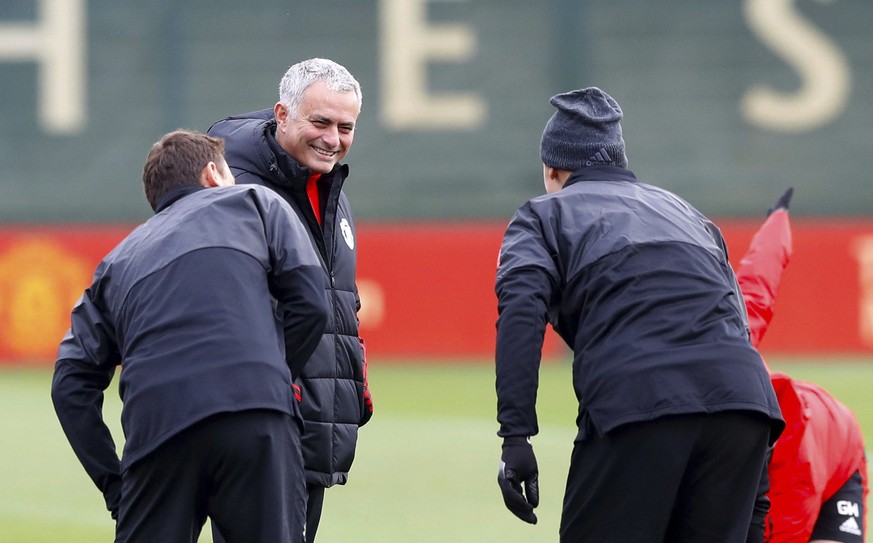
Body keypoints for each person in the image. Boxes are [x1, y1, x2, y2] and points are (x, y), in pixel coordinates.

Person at [493, 87, 785, 542]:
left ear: (552, 169)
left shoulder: (543, 215)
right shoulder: (690, 215)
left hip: (638, 404)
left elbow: (519, 314)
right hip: (745, 407)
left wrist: (515, 435)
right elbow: (738, 327)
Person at [51, 129, 329, 543]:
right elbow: (311, 303)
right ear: (213, 174)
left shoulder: (116, 263)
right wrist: (265, 375)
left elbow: (69, 383)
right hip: (254, 416)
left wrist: (116, 484)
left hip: (157, 434)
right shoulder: (256, 203)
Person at [207, 57, 373, 543]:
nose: (333, 138)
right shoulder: (237, 192)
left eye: (346, 127)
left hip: (312, 421)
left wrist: (351, 382)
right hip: (260, 422)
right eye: (319, 122)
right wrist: (270, 393)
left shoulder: (331, 188)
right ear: (282, 115)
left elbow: (338, 302)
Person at [736, 188, 868, 543]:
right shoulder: (729, 339)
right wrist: (777, 223)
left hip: (835, 455)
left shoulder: (792, 469)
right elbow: (756, 282)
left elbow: (783, 530)